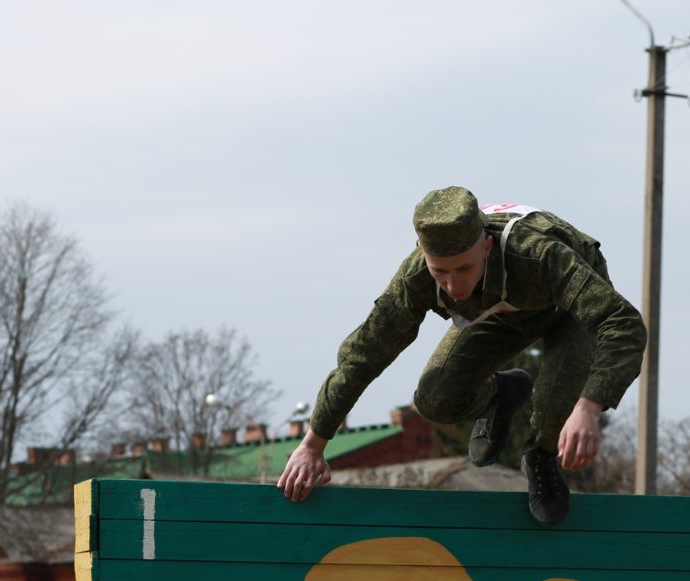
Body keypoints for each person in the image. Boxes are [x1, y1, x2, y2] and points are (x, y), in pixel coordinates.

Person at [277, 186, 646, 525]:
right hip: (500, 312)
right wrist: (314, 444)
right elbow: (364, 355)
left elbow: (624, 323)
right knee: (436, 399)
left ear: (485, 247)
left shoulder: (538, 255)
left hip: (570, 312)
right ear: (424, 257)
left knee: (555, 409)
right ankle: (500, 393)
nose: (453, 286)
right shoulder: (415, 279)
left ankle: (541, 456)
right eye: (441, 273)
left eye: (465, 269)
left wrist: (589, 407)